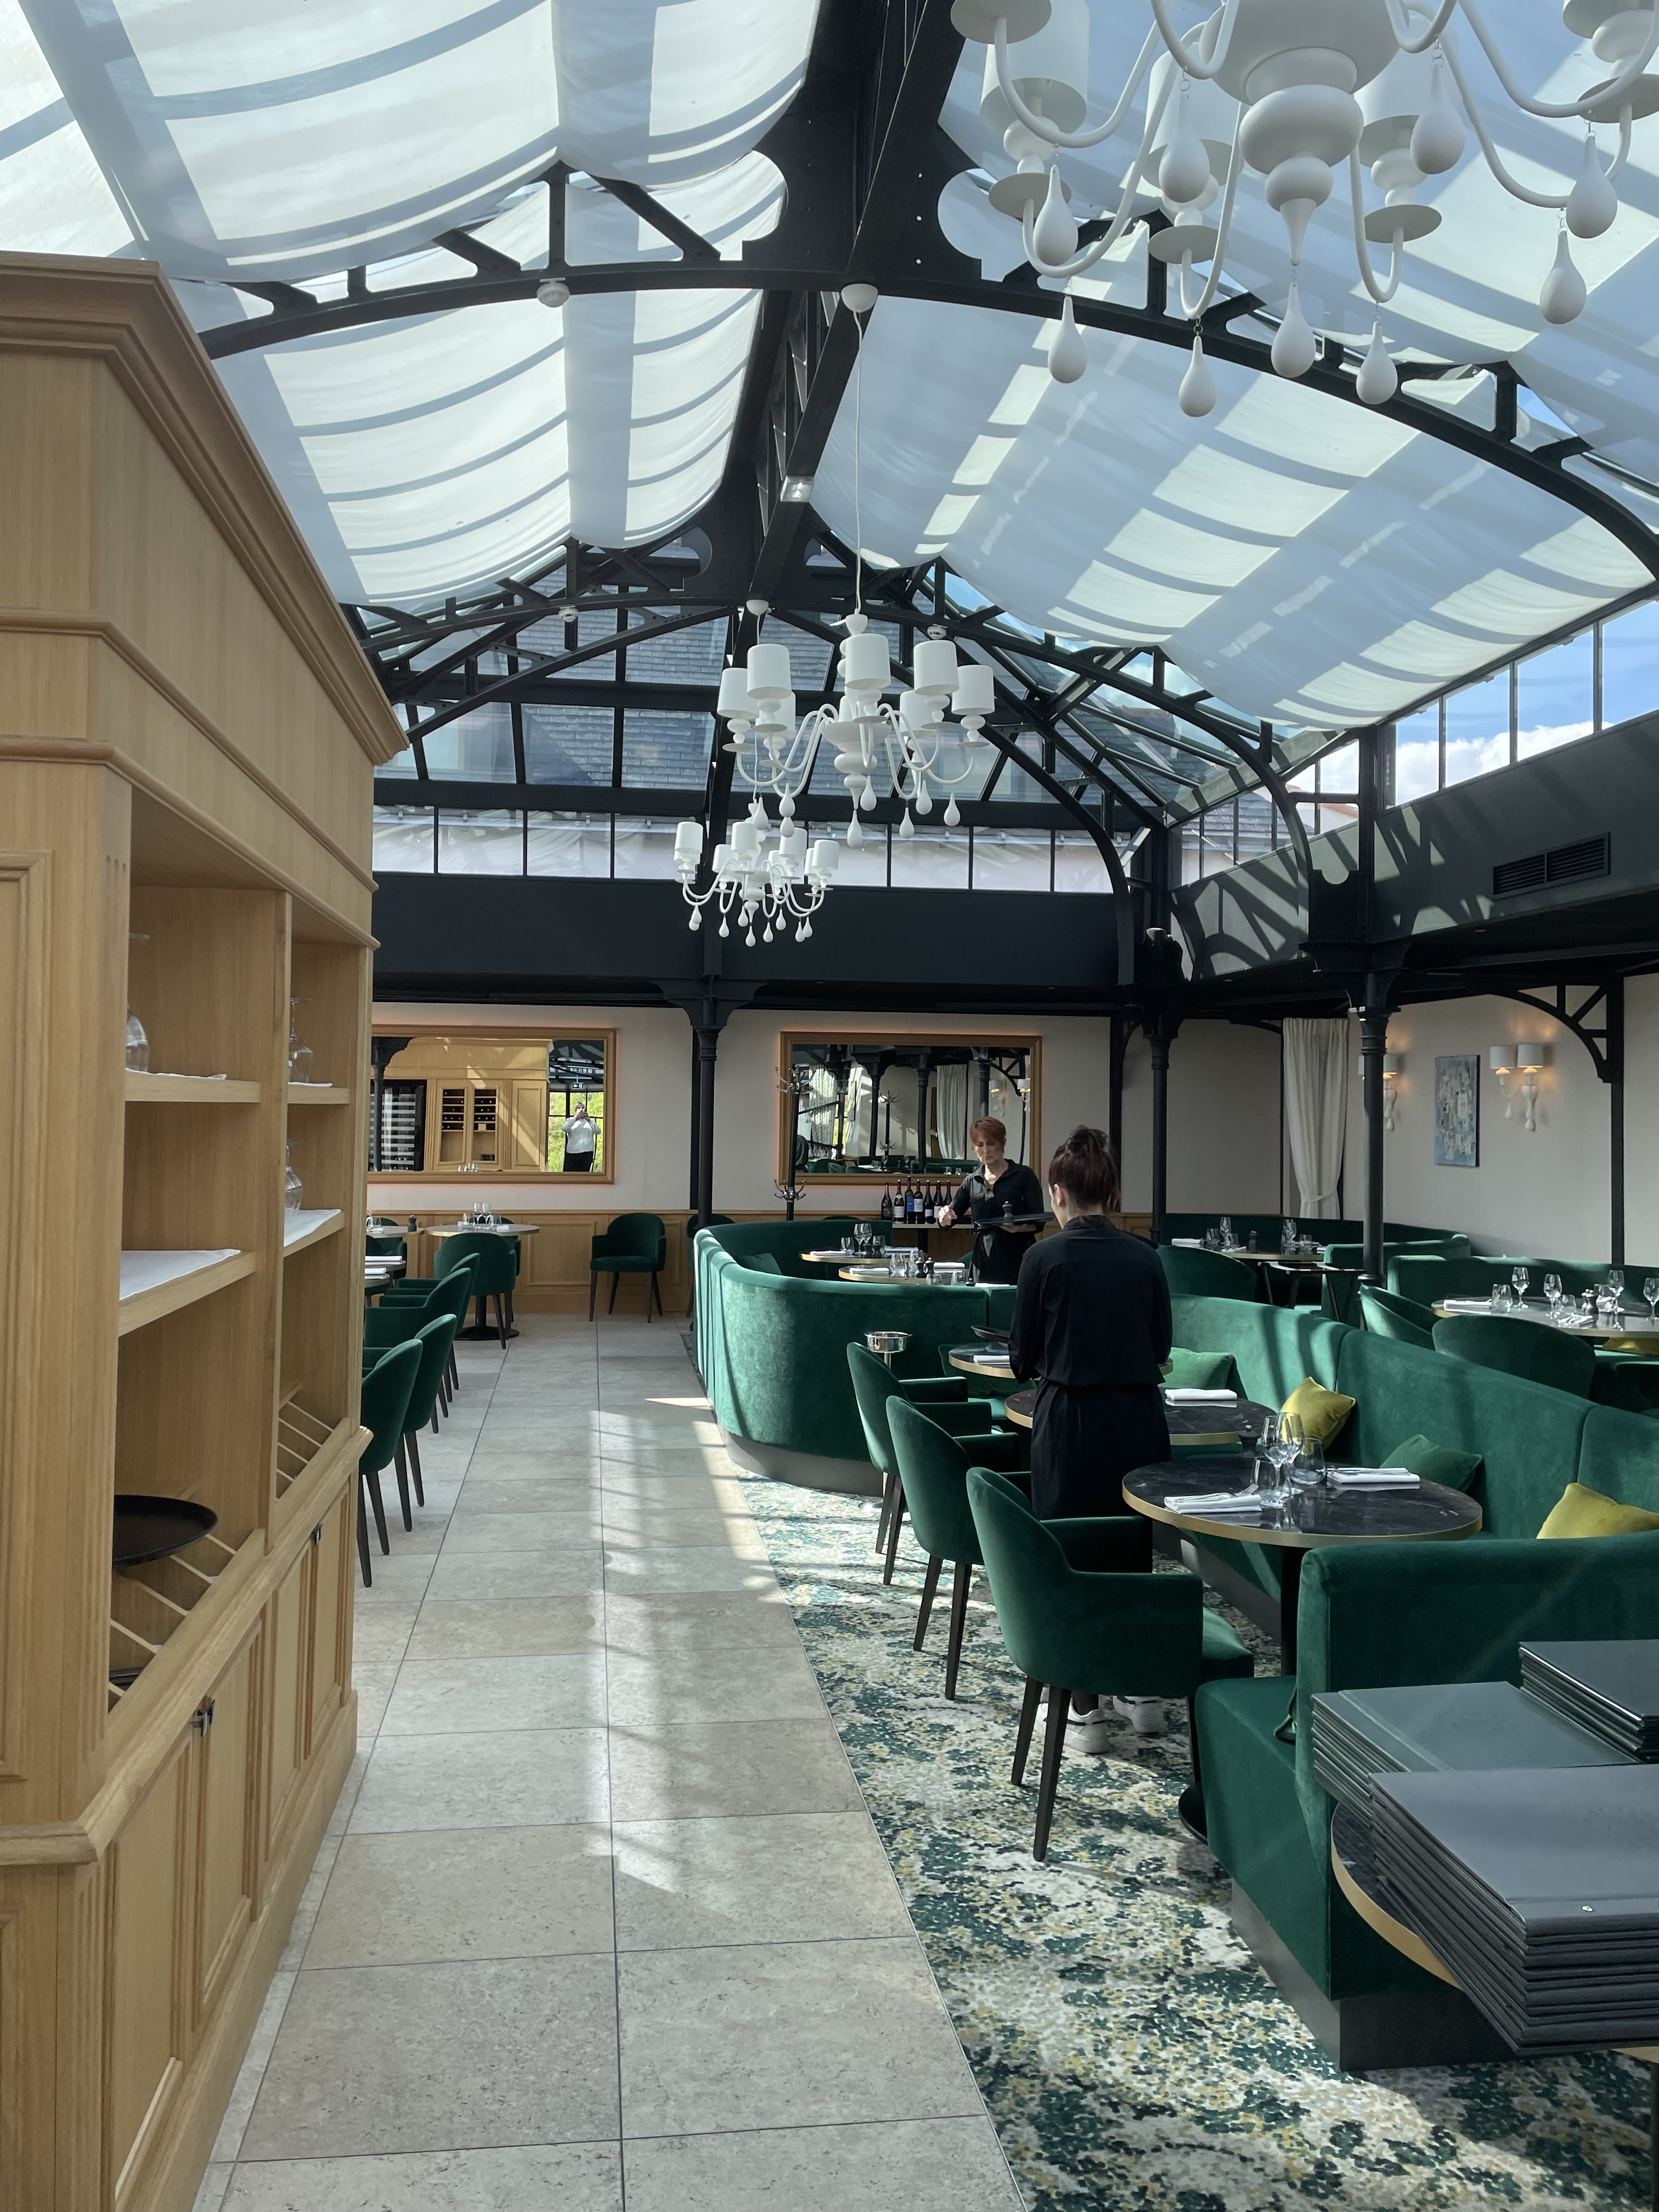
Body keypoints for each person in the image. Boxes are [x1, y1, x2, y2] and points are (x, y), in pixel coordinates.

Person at [1008, 1124, 1172, 1746]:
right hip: (1139, 1421)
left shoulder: (1042, 1259)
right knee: (1132, 1556)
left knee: (1073, 1560)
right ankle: (1142, 1691)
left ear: (1058, 1194)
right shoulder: (1146, 1258)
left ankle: (1083, 1712)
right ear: (1114, 1193)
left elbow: (1022, 1358)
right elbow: (1160, 1346)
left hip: (1070, 1424)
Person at [936, 1116, 1045, 1284]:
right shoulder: (972, 1181)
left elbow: (1039, 1222)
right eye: (980, 1145)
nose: (986, 1150)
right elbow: (949, 1219)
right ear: (974, 1148)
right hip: (984, 1262)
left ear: (1003, 1143)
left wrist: (1019, 1228)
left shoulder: (1024, 1176)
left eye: (991, 1143)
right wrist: (943, 1216)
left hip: (1019, 1257)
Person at [561, 1099, 599, 1172]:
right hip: (573, 1152)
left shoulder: (591, 1122)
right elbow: (565, 1128)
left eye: (583, 1108)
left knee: (584, 1175)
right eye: (579, 1108)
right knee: (570, 1174)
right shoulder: (570, 1120)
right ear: (575, 1111)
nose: (582, 1110)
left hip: (587, 1152)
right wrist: (576, 1118)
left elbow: (598, 1131)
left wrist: (589, 1121)